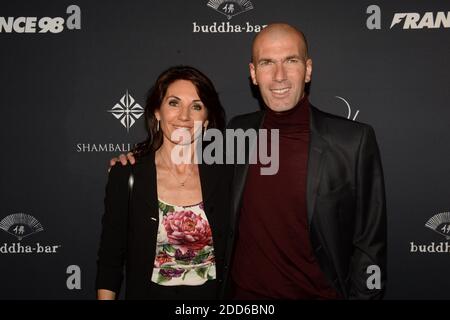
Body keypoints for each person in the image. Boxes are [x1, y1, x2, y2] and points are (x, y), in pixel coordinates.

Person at [112, 23, 387, 300]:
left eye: (290, 61)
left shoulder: (352, 141)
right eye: (267, 63)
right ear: (254, 74)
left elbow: (369, 246)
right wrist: (135, 162)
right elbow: (180, 152)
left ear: (308, 69)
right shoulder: (237, 134)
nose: (279, 76)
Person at [96, 65, 230, 300]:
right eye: (174, 103)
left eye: (196, 106)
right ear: (157, 111)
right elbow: (110, 261)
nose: (184, 116)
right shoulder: (127, 175)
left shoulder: (228, 175)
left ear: (207, 121)